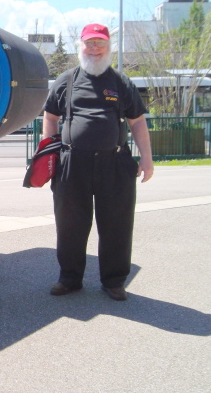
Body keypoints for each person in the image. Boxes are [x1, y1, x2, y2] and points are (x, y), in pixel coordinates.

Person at [42, 23, 153, 301]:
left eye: (99, 43)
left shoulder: (121, 82)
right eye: (89, 43)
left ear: (108, 47)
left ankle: (114, 281)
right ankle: (69, 278)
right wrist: (49, 153)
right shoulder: (66, 80)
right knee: (70, 223)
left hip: (114, 164)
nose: (94, 49)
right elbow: (50, 116)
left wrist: (147, 159)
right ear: (80, 46)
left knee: (116, 224)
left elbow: (137, 122)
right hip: (72, 164)